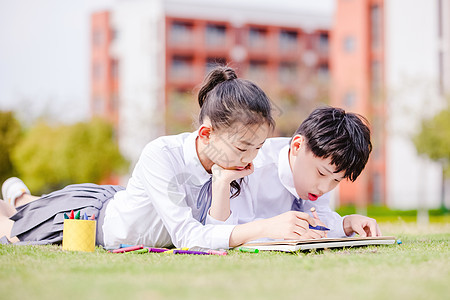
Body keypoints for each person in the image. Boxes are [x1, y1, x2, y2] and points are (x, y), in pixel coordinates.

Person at [0, 66, 320, 249]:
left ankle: (18, 193)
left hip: (122, 199)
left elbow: (215, 234)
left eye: (258, 148)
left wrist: (223, 185)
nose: (250, 160)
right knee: (15, 218)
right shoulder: (162, 154)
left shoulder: (229, 168)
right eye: (242, 148)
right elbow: (187, 238)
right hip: (94, 219)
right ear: (206, 134)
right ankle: (17, 194)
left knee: (25, 204)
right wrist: (266, 227)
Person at [208, 106, 382, 242]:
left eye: (336, 180)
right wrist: (284, 233)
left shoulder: (319, 171)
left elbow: (318, 218)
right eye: (321, 173)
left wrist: (347, 224)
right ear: (298, 146)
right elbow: (228, 230)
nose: (324, 188)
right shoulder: (251, 164)